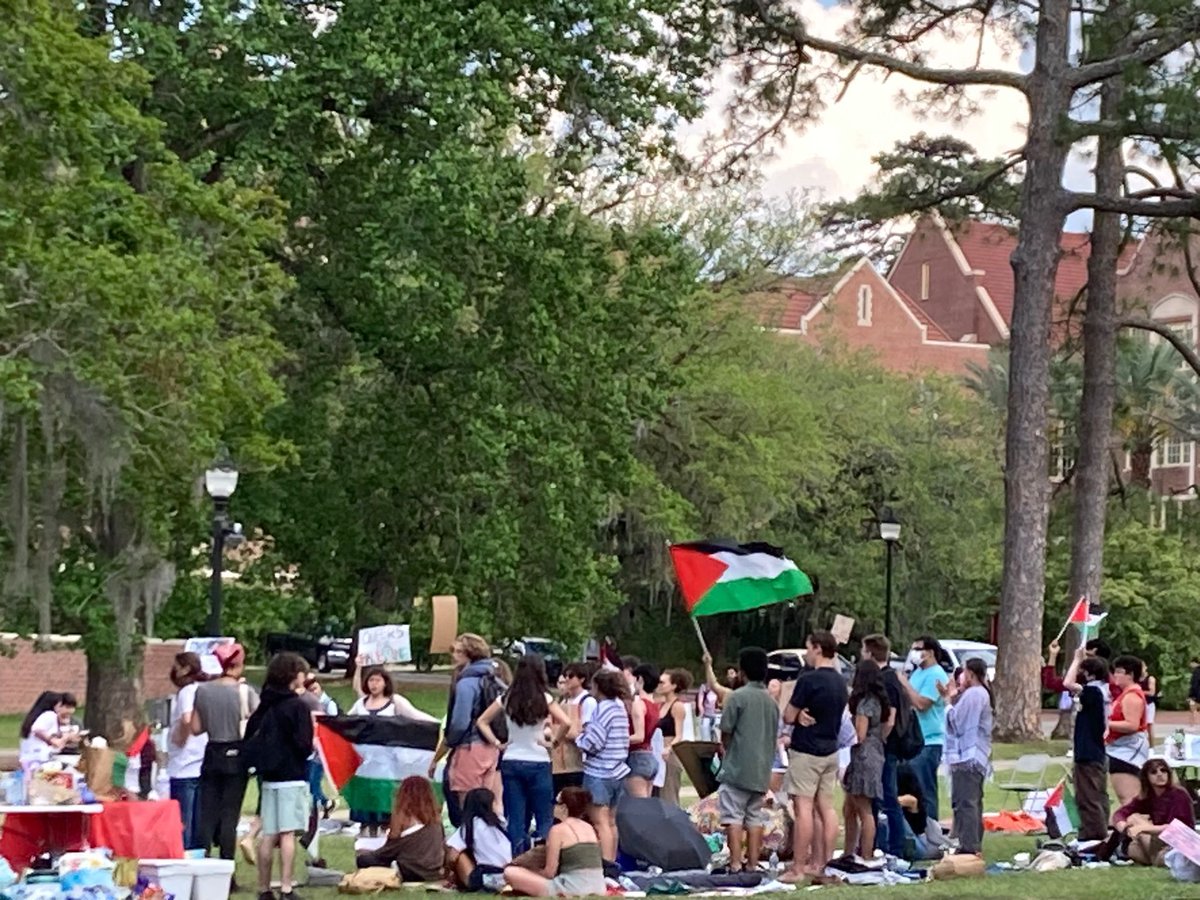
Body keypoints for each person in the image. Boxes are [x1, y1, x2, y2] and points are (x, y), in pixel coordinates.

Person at [477, 654, 572, 855]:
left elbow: (482, 721)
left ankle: (515, 859)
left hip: (512, 758)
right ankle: (543, 856)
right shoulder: (544, 698)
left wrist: (497, 743)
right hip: (538, 759)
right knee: (544, 815)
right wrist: (553, 742)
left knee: (516, 817)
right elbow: (566, 722)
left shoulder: (507, 697)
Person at [244, 652, 313, 900]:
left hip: (269, 776)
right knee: (287, 833)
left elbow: (251, 734)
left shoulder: (266, 704)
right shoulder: (297, 706)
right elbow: (304, 745)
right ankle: (286, 886)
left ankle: (264, 888)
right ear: (293, 675)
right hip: (292, 774)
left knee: (268, 833)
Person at [781, 631, 847, 881]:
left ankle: (798, 867)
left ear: (818, 649)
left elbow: (788, 715)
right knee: (826, 808)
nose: (806, 653)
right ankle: (822, 862)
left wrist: (797, 716)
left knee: (803, 809)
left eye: (808, 648)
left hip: (807, 750)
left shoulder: (809, 680)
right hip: (831, 748)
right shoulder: (840, 682)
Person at [192, 642, 259, 865]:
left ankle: (203, 861)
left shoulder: (202, 690)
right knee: (230, 814)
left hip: (212, 751)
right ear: (238, 663)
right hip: (236, 752)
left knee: (208, 812)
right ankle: (226, 868)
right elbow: (256, 722)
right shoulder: (245, 691)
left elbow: (196, 728)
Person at [716, 647, 778, 874]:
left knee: (732, 816)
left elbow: (726, 731)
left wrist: (726, 747)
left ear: (742, 672)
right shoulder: (771, 702)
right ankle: (752, 863)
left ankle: (734, 862)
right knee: (754, 818)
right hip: (761, 770)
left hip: (738, 767)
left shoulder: (737, 697)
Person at [503, 787, 606, 896]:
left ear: (564, 808)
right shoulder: (589, 828)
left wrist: (530, 873)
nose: (553, 807)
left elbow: (549, 873)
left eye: (556, 803)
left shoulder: (558, 830)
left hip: (571, 888)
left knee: (510, 872)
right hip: (598, 886)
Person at [440, 634, 503, 807]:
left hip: (470, 746)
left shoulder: (467, 683)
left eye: (459, 651)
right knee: (487, 802)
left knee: (467, 801)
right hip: (491, 746)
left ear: (470, 654)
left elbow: (460, 722)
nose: (454, 655)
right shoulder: (494, 678)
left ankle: (469, 833)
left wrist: (451, 741)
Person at [574, 669, 630, 863]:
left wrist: (579, 738)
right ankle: (612, 860)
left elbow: (595, 742)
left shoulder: (602, 708)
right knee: (612, 823)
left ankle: (605, 863)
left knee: (600, 822)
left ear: (599, 686)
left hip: (599, 771)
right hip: (618, 770)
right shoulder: (620, 707)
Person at [861, 634, 907, 858]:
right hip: (884, 747)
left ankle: (897, 847)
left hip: (885, 747)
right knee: (879, 797)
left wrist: (879, 739)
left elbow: (890, 717)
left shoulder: (887, 679)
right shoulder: (888, 677)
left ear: (870, 653)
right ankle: (878, 842)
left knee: (888, 796)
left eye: (863, 650)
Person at [842, 660, 894, 860]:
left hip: (863, 755)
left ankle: (865, 854)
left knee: (864, 808)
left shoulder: (865, 703)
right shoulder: (879, 701)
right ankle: (850, 852)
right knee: (850, 807)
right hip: (876, 751)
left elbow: (859, 734)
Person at [896, 636, 950, 823]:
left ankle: (931, 828)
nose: (915, 653)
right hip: (912, 741)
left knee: (925, 788)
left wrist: (904, 684)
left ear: (931, 652)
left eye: (918, 649)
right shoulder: (917, 673)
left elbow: (921, 703)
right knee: (910, 789)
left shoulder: (936, 674)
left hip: (929, 741)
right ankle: (915, 829)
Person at [944, 659, 992, 856]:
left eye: (964, 672)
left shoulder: (974, 694)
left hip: (968, 756)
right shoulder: (978, 693)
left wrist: (948, 703)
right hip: (973, 756)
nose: (961, 676)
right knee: (970, 801)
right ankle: (970, 843)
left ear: (971, 674)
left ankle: (970, 846)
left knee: (967, 802)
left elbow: (958, 721)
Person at [355, 777, 445, 882]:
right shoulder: (436, 821)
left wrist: (368, 853)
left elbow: (389, 850)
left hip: (409, 870)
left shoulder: (404, 817)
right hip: (432, 871)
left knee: (363, 858)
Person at [1062, 650, 1112, 840]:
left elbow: (1067, 683)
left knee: (1088, 795)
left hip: (1088, 751)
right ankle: (1100, 828)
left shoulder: (1093, 691)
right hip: (1097, 750)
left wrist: (1076, 660)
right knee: (1099, 794)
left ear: (1089, 673)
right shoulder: (1103, 691)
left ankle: (1093, 833)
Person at [1112, 759, 1195, 866]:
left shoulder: (1179, 795)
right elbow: (1120, 813)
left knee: (1159, 857)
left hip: (1181, 841)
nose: (1160, 775)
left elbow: (1177, 829)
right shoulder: (1148, 796)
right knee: (1133, 834)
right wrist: (1124, 827)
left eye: (1163, 771)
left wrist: (1142, 828)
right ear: (1146, 777)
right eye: (1154, 772)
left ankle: (1157, 858)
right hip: (1159, 839)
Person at [167, 653, 209, 851]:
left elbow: (186, 718)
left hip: (183, 763)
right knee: (197, 816)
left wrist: (180, 738)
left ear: (185, 669)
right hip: (199, 760)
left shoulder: (186, 692)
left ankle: (184, 853)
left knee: (183, 819)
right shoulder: (202, 689)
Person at [446, 787, 513, 892]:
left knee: (460, 854)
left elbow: (452, 856)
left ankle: (461, 883)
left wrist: (448, 871)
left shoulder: (470, 825)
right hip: (508, 875)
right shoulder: (501, 822)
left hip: (486, 876)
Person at [1106, 655, 1150, 808]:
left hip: (1127, 751)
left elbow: (1132, 725)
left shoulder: (1132, 696)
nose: (1115, 675)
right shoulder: (1124, 693)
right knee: (1127, 799)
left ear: (1130, 675)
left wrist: (1105, 723)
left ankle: (1138, 829)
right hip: (1118, 748)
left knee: (1128, 799)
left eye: (1119, 672)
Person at [552, 663, 596, 794]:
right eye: (565, 676)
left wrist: (569, 733)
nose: (566, 679)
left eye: (571, 676)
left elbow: (588, 730)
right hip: (560, 760)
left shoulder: (587, 701)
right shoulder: (564, 701)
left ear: (581, 679)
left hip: (579, 761)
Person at [656, 668, 692, 806]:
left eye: (663, 682)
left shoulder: (677, 706)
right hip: (659, 751)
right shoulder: (661, 705)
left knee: (669, 794)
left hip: (669, 753)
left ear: (674, 685)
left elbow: (679, 735)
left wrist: (668, 748)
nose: (659, 685)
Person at [626, 664, 662, 799]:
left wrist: (617, 739)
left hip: (637, 756)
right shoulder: (654, 705)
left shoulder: (639, 704)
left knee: (639, 806)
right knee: (647, 803)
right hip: (649, 755)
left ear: (640, 679)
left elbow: (639, 736)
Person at [303, 678, 338, 818]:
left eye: (315, 689)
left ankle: (319, 806)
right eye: (309, 690)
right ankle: (325, 803)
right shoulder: (308, 704)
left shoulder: (328, 704)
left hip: (322, 750)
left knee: (313, 779)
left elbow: (334, 727)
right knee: (309, 780)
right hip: (310, 749)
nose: (313, 693)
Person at [19, 692, 77, 768]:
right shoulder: (50, 715)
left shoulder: (37, 718)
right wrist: (59, 739)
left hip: (29, 759)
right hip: (40, 759)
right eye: (60, 705)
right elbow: (37, 730)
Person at [1140, 668, 1158, 747]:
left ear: (1145, 668)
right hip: (1140, 704)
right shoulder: (1136, 678)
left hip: (1149, 704)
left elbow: (1151, 692)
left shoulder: (1150, 678)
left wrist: (1139, 692)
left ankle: (1151, 746)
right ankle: (1142, 745)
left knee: (1149, 725)